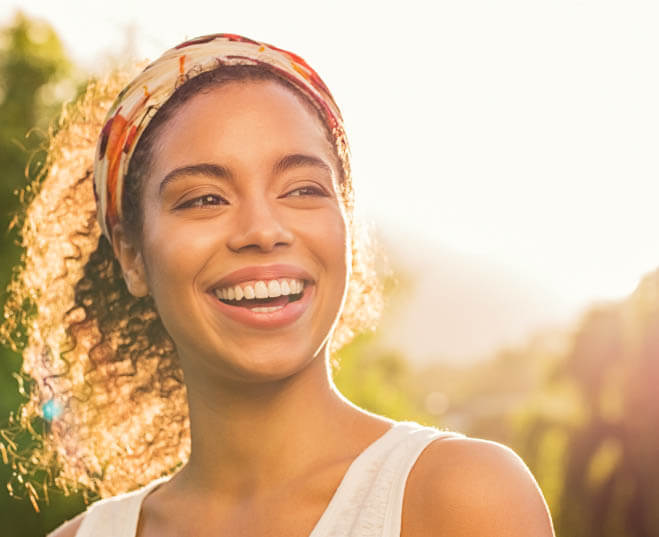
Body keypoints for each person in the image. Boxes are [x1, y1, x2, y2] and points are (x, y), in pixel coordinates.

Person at [2, 33, 554, 536]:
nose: (263, 231)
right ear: (131, 253)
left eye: (303, 189)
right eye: (204, 199)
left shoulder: (462, 500)